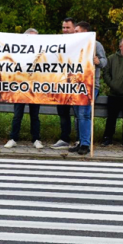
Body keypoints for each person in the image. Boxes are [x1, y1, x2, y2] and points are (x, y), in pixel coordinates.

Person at [69, 21, 107, 155]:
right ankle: (80, 141)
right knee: (78, 115)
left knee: (84, 113)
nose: (74, 33)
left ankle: (85, 143)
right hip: (75, 85)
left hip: (89, 85)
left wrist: (98, 62)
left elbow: (104, 61)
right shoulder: (74, 45)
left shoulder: (96, 45)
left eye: (77, 31)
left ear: (85, 32)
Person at [5, 28, 44, 149]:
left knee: (35, 115)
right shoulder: (18, 52)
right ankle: (13, 138)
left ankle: (36, 139)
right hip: (20, 87)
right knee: (17, 115)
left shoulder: (42, 53)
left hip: (35, 87)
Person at [51, 17, 76, 149]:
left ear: (74, 28)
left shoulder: (84, 41)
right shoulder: (57, 42)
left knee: (79, 113)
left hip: (77, 84)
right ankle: (64, 138)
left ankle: (80, 139)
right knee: (63, 113)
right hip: (61, 84)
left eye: (68, 28)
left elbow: (103, 62)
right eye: (63, 27)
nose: (65, 30)